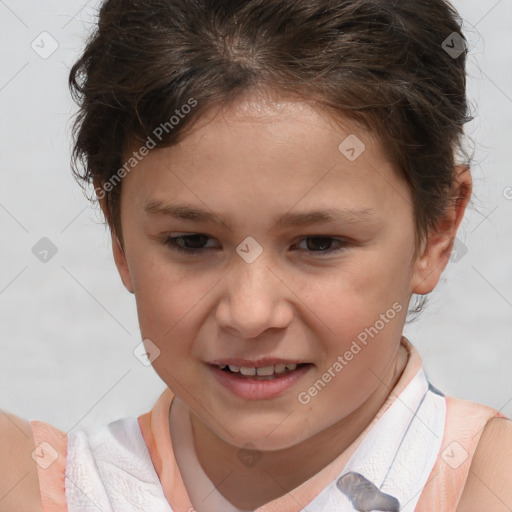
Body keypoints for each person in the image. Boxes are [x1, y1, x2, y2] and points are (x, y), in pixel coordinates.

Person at [1, 0, 511, 510]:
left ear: (437, 232)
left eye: (318, 244)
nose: (249, 314)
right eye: (192, 241)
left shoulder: (489, 483)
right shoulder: (31, 479)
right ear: (118, 232)